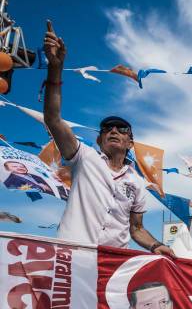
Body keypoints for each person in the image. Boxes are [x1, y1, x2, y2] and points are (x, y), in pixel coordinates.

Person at [43, 21, 173, 256]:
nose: (113, 130)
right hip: (71, 256)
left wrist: (157, 246)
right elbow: (53, 119)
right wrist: (55, 68)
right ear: (100, 139)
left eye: (121, 128)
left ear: (130, 142)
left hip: (111, 264)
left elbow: (137, 229)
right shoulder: (84, 157)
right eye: (106, 128)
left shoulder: (137, 183)